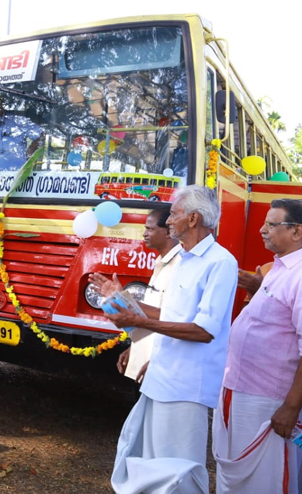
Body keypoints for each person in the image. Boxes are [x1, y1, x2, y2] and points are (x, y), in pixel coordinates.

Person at [108, 185, 238, 494]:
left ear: (193, 219)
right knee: (148, 462)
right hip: (161, 377)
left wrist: (139, 320)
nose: (168, 221)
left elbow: (203, 331)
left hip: (186, 386)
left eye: (175, 214)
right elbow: (171, 313)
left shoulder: (220, 262)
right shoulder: (186, 259)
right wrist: (122, 300)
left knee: (179, 470)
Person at [213, 199, 302, 494]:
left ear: (297, 231)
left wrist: (291, 408)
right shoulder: (279, 268)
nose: (262, 229)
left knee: (268, 481)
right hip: (241, 389)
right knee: (239, 475)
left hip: (271, 400)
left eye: (271, 224)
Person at [90, 208, 180, 384]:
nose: (144, 234)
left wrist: (124, 299)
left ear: (168, 231)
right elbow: (150, 314)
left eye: (150, 229)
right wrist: (135, 347)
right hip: (145, 362)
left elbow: (173, 318)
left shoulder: (180, 266)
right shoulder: (161, 263)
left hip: (159, 367)